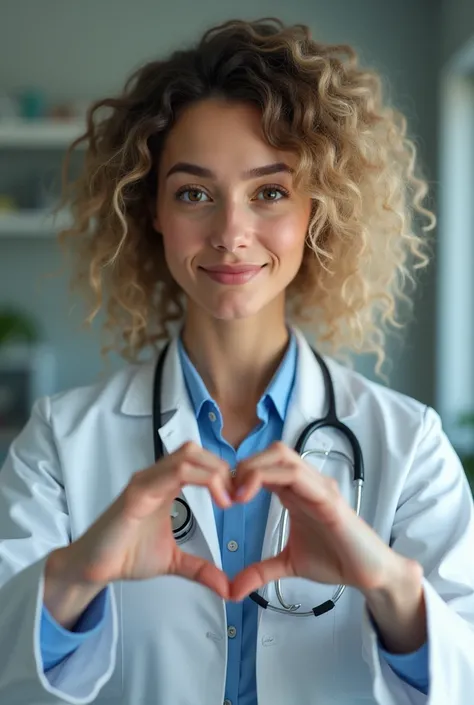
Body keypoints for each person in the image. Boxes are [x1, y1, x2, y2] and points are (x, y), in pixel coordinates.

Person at [0, 17, 473, 705]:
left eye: (270, 192)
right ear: (153, 208)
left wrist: (388, 584)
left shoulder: (409, 443)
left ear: (319, 210)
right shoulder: (59, 442)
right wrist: (76, 576)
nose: (230, 233)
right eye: (194, 192)